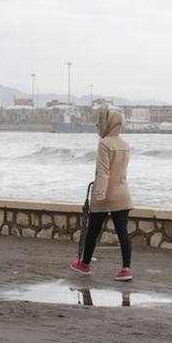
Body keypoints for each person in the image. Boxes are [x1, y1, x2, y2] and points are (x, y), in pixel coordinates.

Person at [68, 105, 133, 281]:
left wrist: (100, 193)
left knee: (93, 231)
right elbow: (122, 172)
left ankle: (84, 264)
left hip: (106, 194)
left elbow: (104, 171)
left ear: (109, 123)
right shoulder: (125, 145)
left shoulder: (104, 144)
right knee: (122, 232)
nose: (99, 126)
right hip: (123, 193)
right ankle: (126, 269)